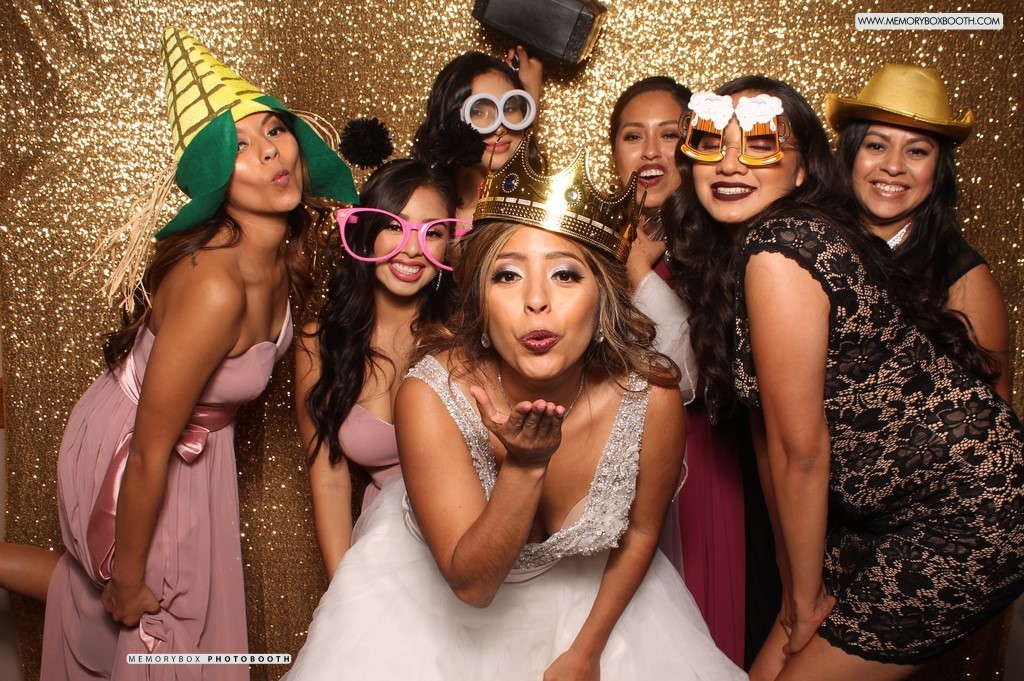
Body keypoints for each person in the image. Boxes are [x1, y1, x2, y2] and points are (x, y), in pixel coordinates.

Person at [283, 136, 746, 680]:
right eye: (507, 274)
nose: (536, 300)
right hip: (440, 614)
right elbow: (473, 586)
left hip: (593, 601)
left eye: (566, 274)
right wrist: (524, 467)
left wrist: (587, 650)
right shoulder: (431, 392)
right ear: (479, 297)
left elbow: (643, 532)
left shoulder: (653, 396)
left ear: (604, 294)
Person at [13, 28, 357, 680]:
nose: (271, 151)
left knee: (118, 609)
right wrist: (129, 579)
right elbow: (149, 449)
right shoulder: (214, 287)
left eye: (274, 130)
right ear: (214, 175)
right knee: (156, 626)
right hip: (138, 450)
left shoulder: (284, 256)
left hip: (193, 448)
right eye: (240, 145)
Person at [669, 74, 1024, 680]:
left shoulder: (782, 246)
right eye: (712, 144)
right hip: (876, 517)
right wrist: (793, 582)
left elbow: (802, 453)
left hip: (969, 512)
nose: (730, 165)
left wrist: (804, 599)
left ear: (804, 169)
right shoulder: (755, 251)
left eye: (760, 145)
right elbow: (770, 438)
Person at [610, 75, 752, 667]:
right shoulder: (587, 243)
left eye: (668, 135)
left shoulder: (722, 241)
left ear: (695, 146)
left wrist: (640, 274)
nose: (649, 152)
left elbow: (688, 376)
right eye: (632, 136)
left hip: (697, 462)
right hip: (607, 465)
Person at [296, 158, 464, 578]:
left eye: (432, 232)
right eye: (394, 225)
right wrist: (342, 592)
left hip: (464, 548)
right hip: (380, 557)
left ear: (449, 244)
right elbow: (330, 481)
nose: (412, 249)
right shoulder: (319, 342)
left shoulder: (465, 338)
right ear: (365, 231)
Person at [826, 63, 1010, 400]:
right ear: (850, 154)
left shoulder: (963, 277)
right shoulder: (807, 239)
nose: (893, 166)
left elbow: (994, 409)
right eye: (876, 146)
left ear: (938, 170)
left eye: (916, 151)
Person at [410, 49, 543, 221]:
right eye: (477, 112)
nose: (500, 128)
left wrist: (531, 90)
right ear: (450, 121)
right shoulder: (424, 214)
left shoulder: (535, 215)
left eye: (509, 108)